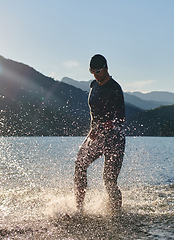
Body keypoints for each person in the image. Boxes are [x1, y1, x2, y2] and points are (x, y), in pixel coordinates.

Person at [74, 54, 126, 213]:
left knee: (109, 180)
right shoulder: (93, 85)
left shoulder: (115, 89)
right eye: (92, 72)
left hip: (114, 139)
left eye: (98, 71)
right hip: (96, 136)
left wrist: (102, 127)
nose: (95, 75)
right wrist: (95, 129)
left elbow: (121, 118)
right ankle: (79, 210)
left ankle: (117, 214)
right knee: (79, 164)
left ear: (106, 68)